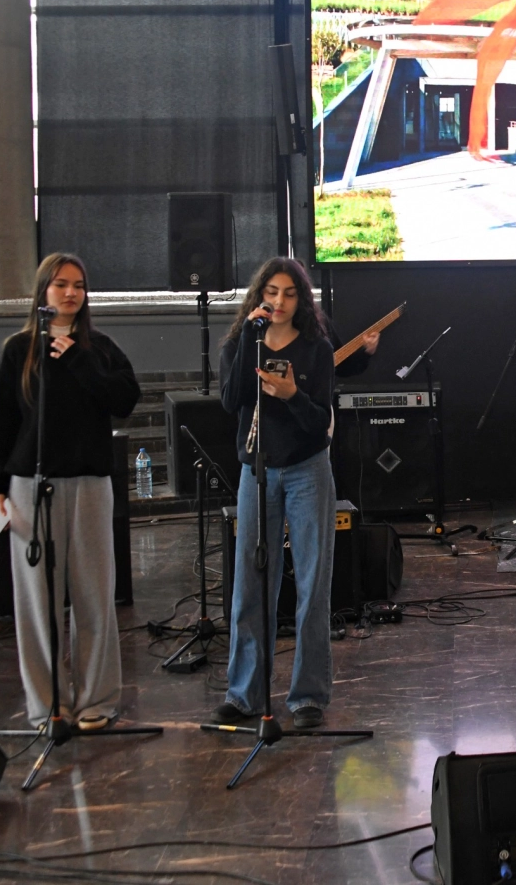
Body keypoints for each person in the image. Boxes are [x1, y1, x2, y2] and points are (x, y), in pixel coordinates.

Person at [0, 254, 140, 732]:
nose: (71, 293)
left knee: (94, 596)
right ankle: (48, 704)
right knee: (38, 602)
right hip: (31, 488)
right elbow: (2, 421)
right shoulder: (20, 350)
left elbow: (125, 400)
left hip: (89, 483)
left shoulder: (101, 349)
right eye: (60, 284)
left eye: (79, 285)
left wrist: (77, 359)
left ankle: (97, 701)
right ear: (43, 291)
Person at [214, 257, 338, 730]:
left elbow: (320, 423)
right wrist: (250, 342)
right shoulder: (240, 342)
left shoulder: (316, 349)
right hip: (257, 471)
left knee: (312, 582)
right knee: (251, 582)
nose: (280, 302)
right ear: (259, 297)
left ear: (300, 299)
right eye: (272, 293)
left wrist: (291, 395)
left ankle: (308, 696)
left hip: (308, 469)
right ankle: (244, 692)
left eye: (289, 293)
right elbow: (230, 402)